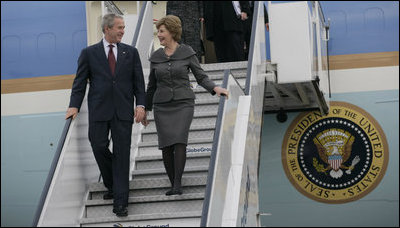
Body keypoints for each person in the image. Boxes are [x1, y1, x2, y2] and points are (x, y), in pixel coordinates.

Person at [65, 14, 146, 217]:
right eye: (119, 27)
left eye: (123, 27)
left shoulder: (131, 52)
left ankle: (120, 202)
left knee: (121, 156)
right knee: (98, 145)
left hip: (123, 111)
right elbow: (80, 82)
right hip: (99, 110)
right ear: (107, 29)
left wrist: (141, 105)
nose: (122, 31)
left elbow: (139, 82)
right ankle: (112, 183)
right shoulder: (89, 53)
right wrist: (73, 106)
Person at [142, 15, 229, 196]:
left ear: (172, 32)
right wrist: (145, 108)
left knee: (179, 141)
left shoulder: (187, 52)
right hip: (161, 106)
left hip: (183, 104)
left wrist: (215, 88)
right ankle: (173, 182)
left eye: (162, 31)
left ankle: (177, 184)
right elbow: (151, 86)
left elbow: (201, 76)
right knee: (166, 146)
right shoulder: (156, 57)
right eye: (158, 31)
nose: (159, 35)